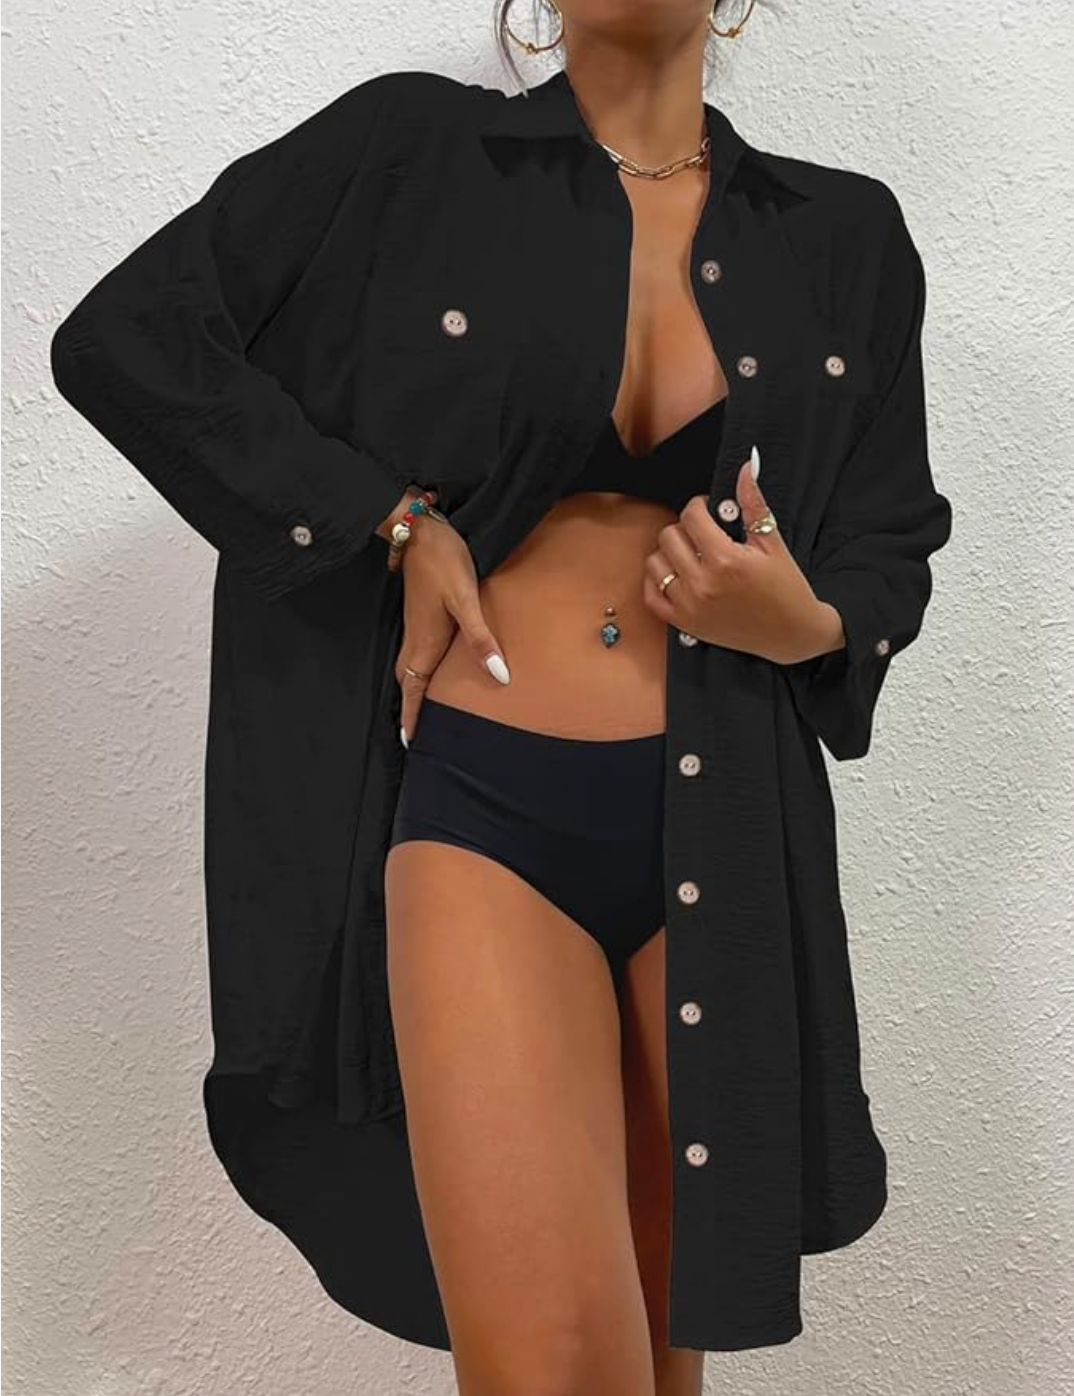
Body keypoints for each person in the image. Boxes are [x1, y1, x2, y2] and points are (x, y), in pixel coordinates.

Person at [49, 2, 954, 1392]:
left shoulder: (839, 235)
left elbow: (890, 533)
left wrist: (806, 623)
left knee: (658, 1363)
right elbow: (130, 339)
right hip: (485, 803)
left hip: (723, 825)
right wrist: (388, 519)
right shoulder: (408, 153)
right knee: (557, 1370)